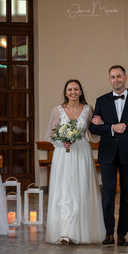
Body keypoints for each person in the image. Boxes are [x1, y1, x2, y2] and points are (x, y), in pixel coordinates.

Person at [89, 65, 128, 246]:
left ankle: (122, 233)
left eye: (119, 76)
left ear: (126, 77)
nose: (116, 80)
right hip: (108, 154)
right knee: (108, 192)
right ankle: (108, 233)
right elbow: (93, 127)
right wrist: (110, 127)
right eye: (113, 77)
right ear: (109, 80)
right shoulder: (101, 101)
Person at [45, 79, 106, 244]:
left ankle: (79, 231)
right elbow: (51, 135)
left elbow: (94, 135)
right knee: (64, 190)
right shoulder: (58, 110)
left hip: (81, 152)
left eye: (76, 89)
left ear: (80, 92)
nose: (73, 92)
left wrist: (100, 124)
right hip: (63, 154)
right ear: (65, 92)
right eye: (70, 89)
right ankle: (64, 232)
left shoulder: (88, 109)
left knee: (80, 188)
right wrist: (61, 141)